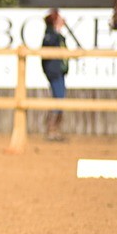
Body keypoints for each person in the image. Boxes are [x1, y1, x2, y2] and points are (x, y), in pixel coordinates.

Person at [41, 8, 69, 141]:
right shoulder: (50, 34)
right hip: (54, 72)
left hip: (60, 72)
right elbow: (48, 45)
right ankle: (51, 130)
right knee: (58, 99)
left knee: (60, 99)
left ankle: (55, 130)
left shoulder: (57, 35)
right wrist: (57, 30)